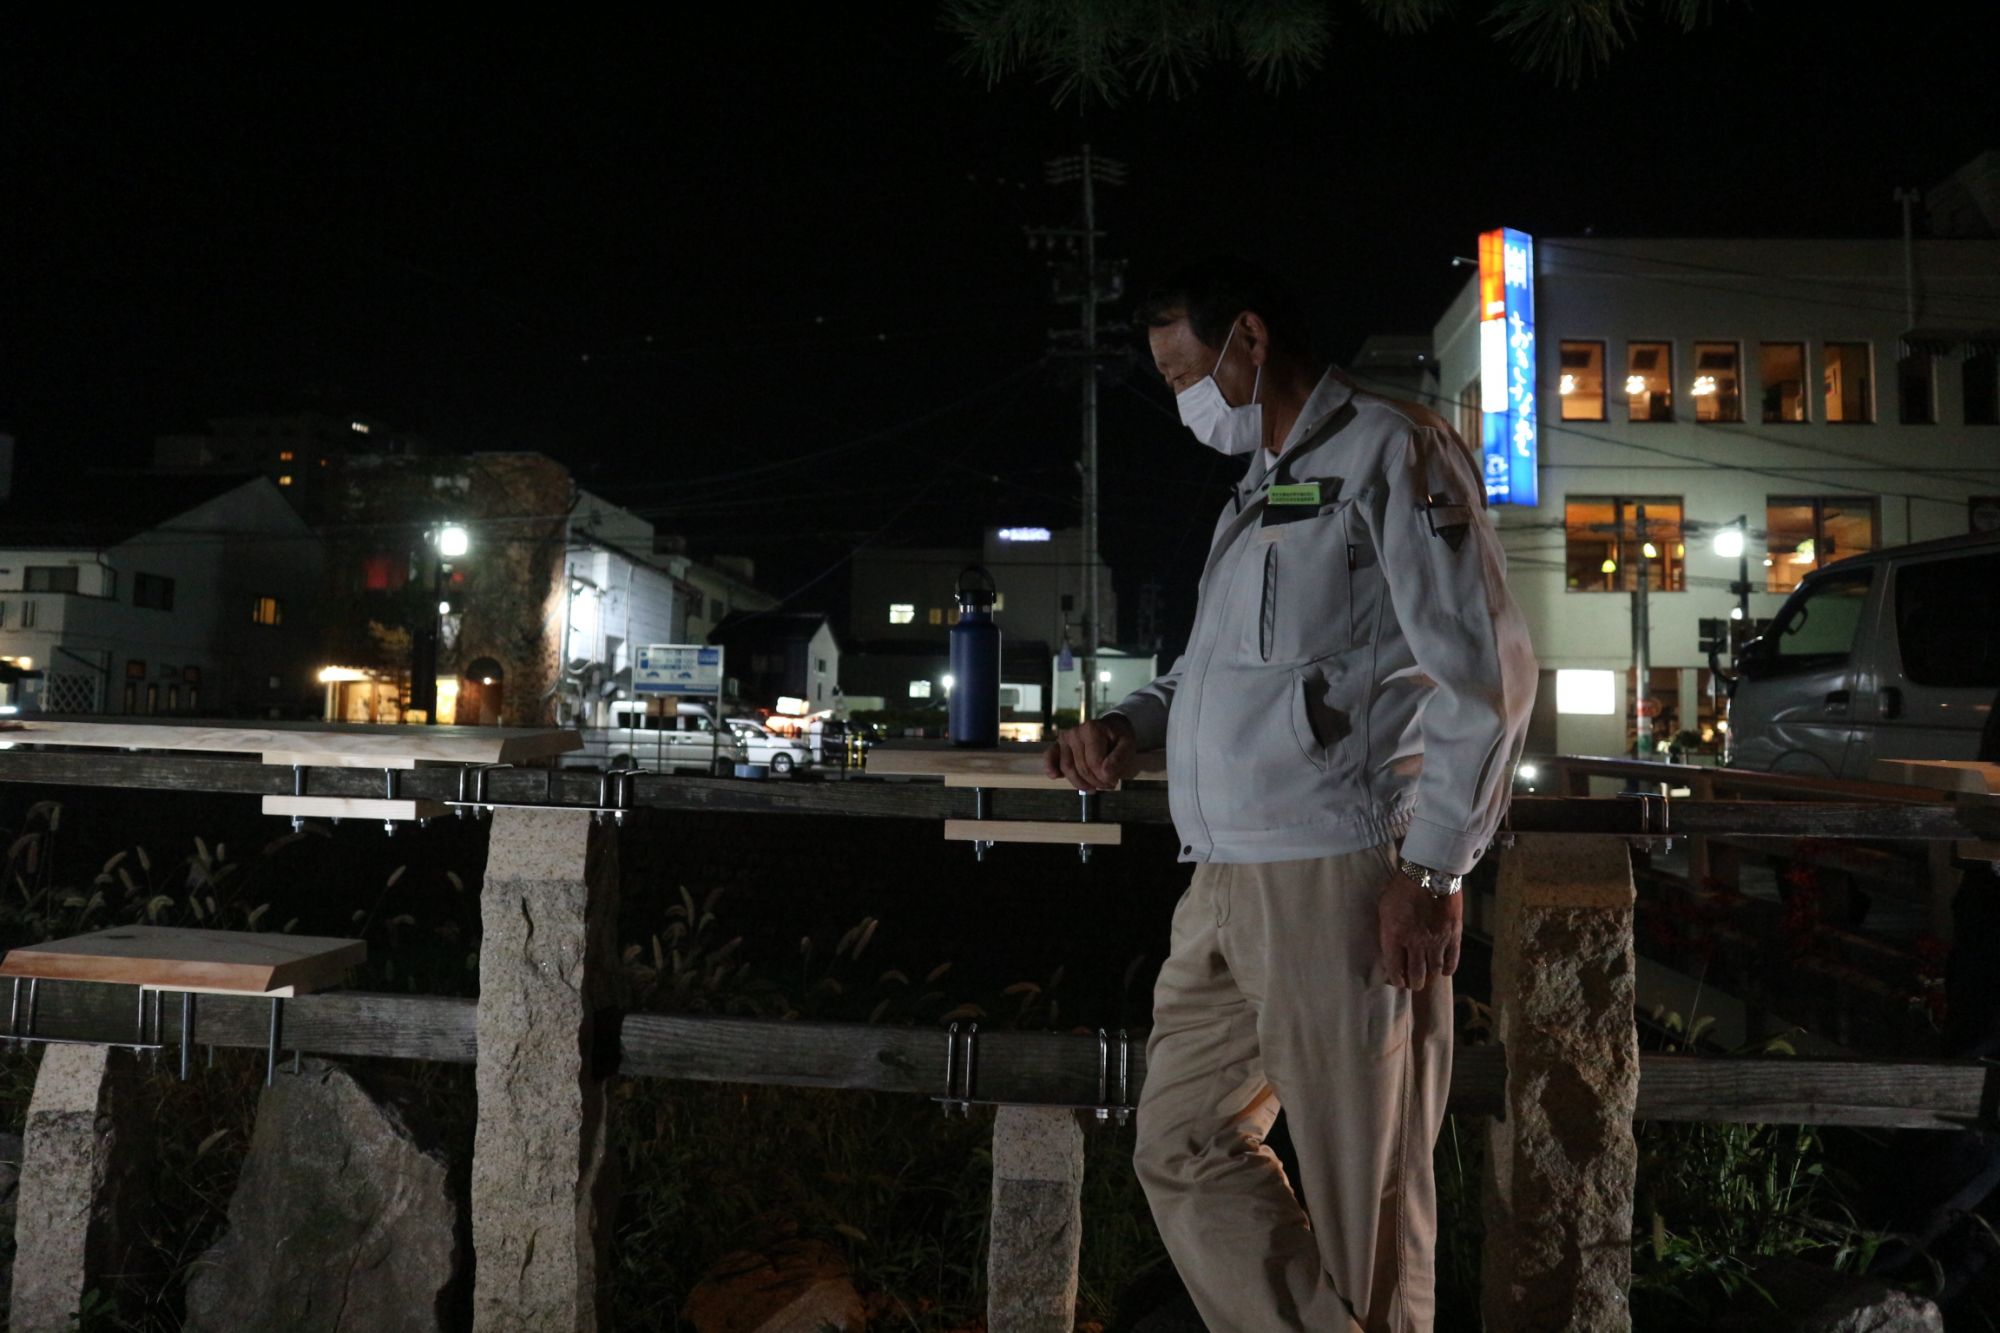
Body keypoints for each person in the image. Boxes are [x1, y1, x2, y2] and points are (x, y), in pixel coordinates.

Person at [1046, 258, 1536, 1333]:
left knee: (1367, 1196)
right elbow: (1213, 671)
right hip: (1221, 872)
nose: (1183, 400)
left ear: (1250, 340)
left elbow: (1488, 677)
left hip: (1341, 866)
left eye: (1185, 373)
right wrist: (1131, 724)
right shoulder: (1262, 483)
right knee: (1180, 1142)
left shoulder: (1393, 448)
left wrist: (1433, 871)